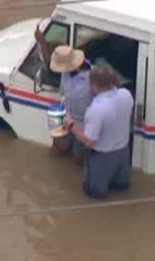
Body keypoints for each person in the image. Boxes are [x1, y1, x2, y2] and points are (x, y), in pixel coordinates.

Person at [63, 64, 134, 199]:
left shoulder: (97, 109)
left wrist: (71, 125)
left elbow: (89, 142)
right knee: (122, 188)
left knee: (95, 193)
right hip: (123, 153)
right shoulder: (126, 95)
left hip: (102, 157)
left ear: (94, 85)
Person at [35, 26, 93, 165]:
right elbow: (50, 64)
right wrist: (42, 41)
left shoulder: (92, 79)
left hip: (83, 125)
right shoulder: (66, 71)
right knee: (55, 149)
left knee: (79, 159)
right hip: (63, 114)